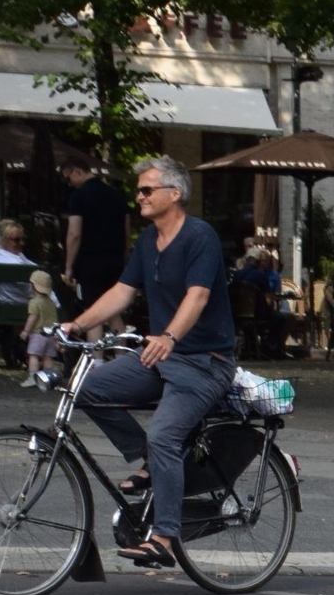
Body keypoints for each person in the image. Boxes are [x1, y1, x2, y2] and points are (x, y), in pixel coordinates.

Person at [61, 155, 239, 565]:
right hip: (162, 359)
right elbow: (123, 291)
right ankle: (148, 459)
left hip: (204, 362)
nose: (138, 196)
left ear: (174, 194)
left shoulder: (200, 236)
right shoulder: (147, 241)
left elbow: (198, 295)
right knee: (87, 389)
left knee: (165, 435)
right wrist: (75, 324)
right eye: (138, 190)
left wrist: (171, 336)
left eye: (146, 190)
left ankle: (164, 539)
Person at [58, 155, 128, 318]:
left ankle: (94, 343)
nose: (69, 184)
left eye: (68, 179)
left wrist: (68, 267)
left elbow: (74, 234)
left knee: (91, 312)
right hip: (115, 259)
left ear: (77, 171)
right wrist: (125, 258)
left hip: (90, 262)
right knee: (113, 311)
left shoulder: (78, 197)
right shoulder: (116, 195)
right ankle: (119, 342)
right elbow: (126, 230)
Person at [18, 270, 62, 385]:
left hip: (38, 334)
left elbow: (32, 318)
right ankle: (48, 379)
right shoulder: (51, 302)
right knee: (48, 358)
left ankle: (33, 378)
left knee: (34, 356)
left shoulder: (34, 302)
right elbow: (55, 320)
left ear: (32, 286)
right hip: (50, 335)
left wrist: (26, 331)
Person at [0, 220, 37, 307]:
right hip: (21, 306)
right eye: (16, 240)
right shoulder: (6, 261)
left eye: (23, 239)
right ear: (4, 239)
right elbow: (30, 290)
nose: (21, 243)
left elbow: (34, 267)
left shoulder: (13, 254)